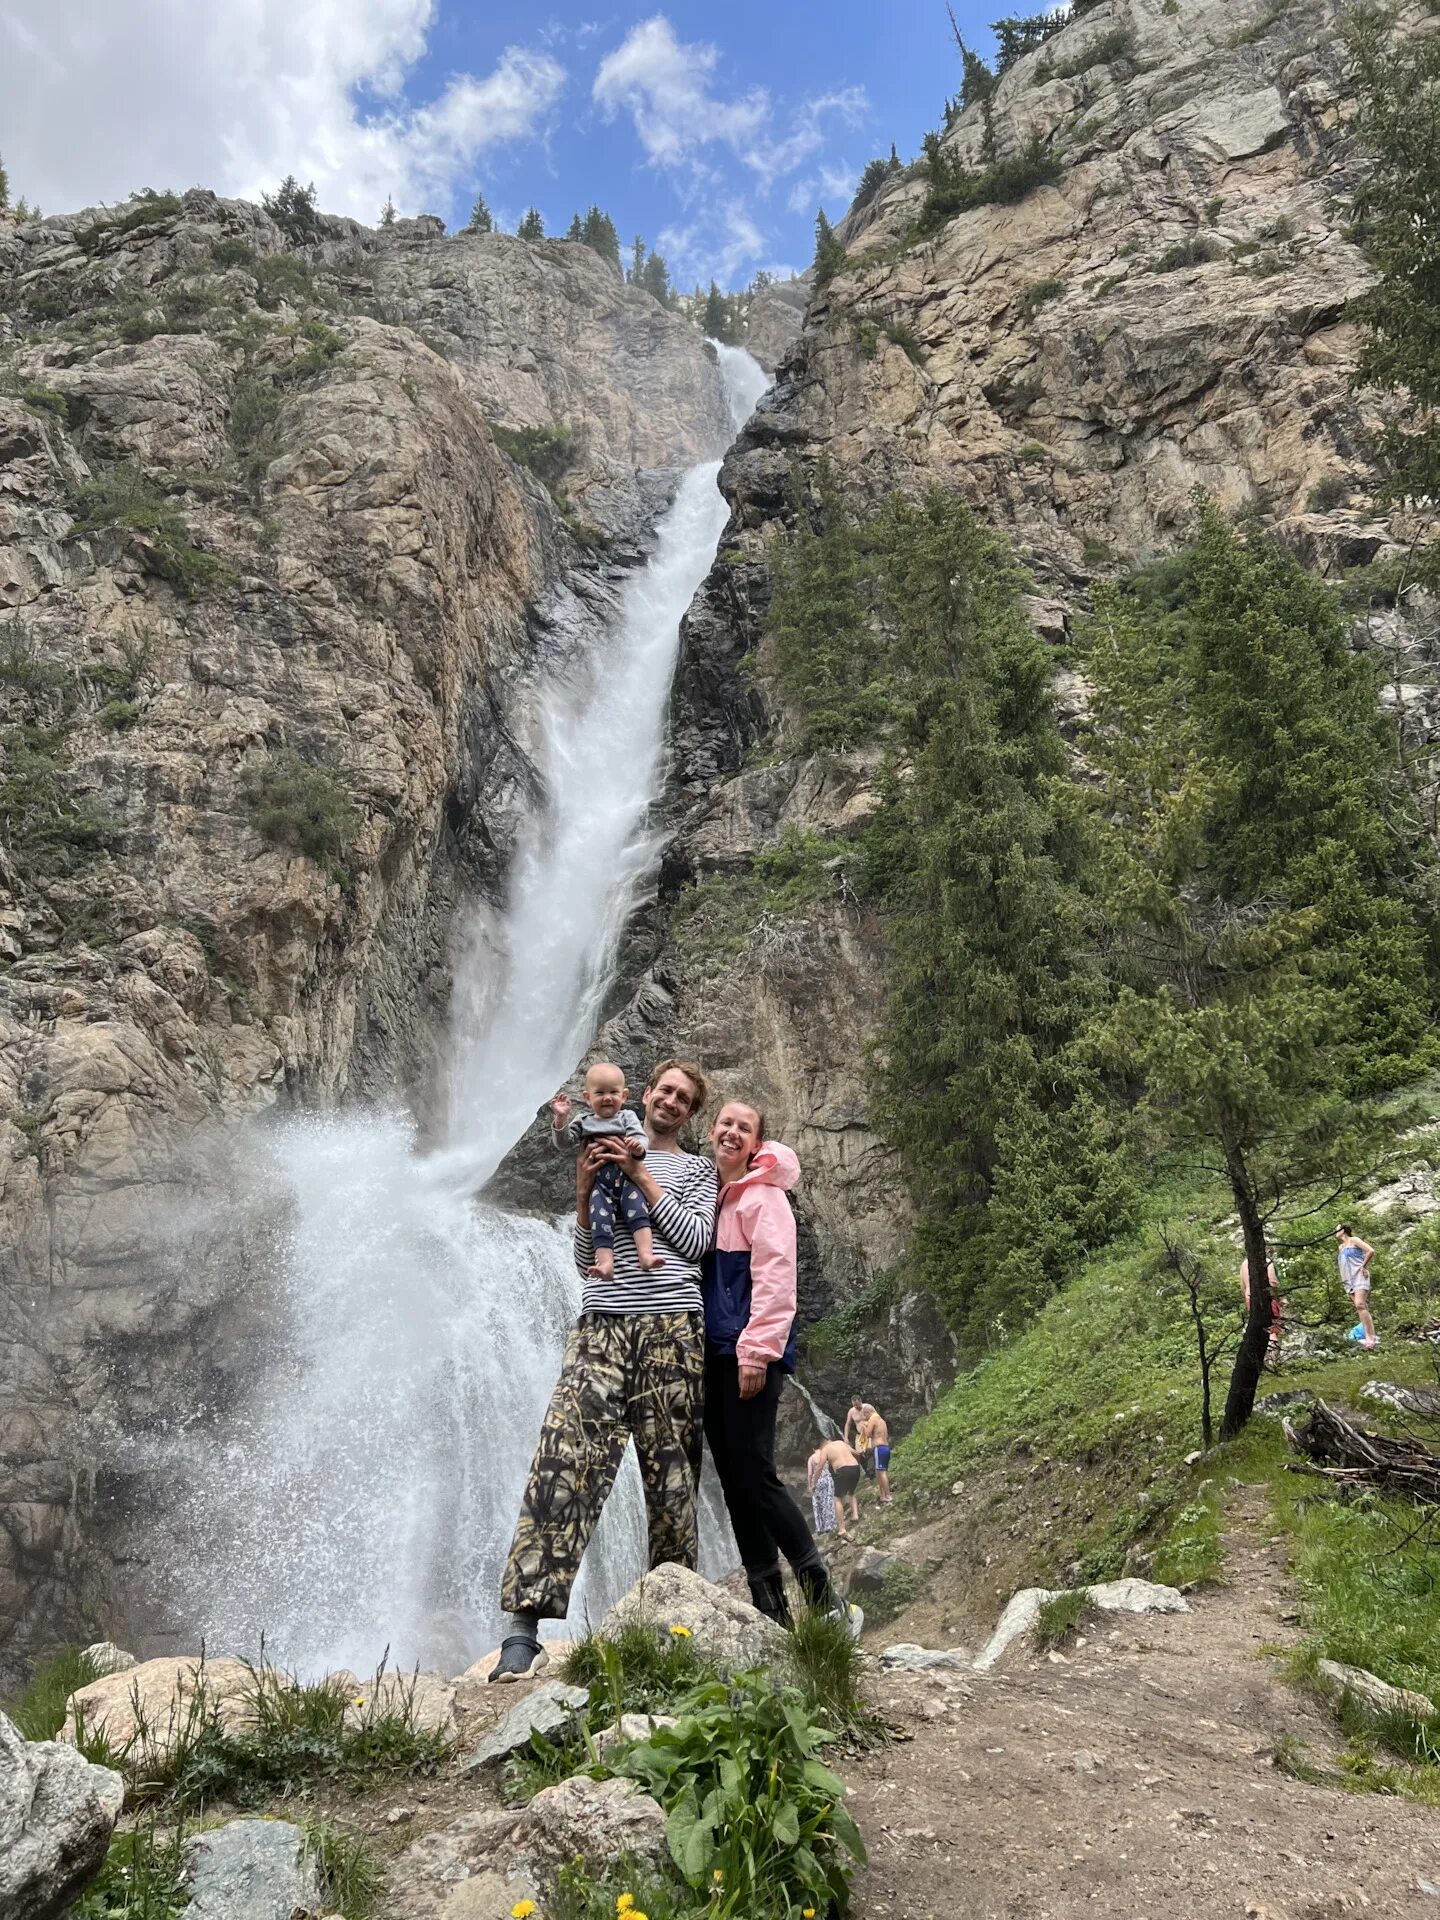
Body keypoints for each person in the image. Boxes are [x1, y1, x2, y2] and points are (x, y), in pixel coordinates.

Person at [491, 1059, 717, 1682]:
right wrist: (584, 1190)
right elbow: (585, 1254)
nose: (671, 1101)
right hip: (602, 1323)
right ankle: (522, 1629)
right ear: (644, 1096)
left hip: (673, 1325)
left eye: (684, 1097)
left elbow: (696, 1243)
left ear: (690, 1113)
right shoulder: (590, 1147)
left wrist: (639, 1174)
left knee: (672, 1477)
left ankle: (675, 1624)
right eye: (664, 1090)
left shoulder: (698, 1171)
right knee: (561, 1455)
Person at [701, 1100, 862, 1634]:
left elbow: (775, 1276)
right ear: (711, 1130)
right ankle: (771, 1607)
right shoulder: (717, 1197)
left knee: (757, 1476)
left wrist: (757, 1351)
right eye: (726, 1123)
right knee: (734, 1480)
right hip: (718, 1355)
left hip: (748, 1355)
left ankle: (824, 1599)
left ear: (755, 1145)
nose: (732, 1132)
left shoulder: (764, 1197)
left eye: (744, 1128)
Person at [550, 1062, 663, 1277]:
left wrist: (637, 1148)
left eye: (613, 1092)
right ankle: (606, 1264)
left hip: (627, 1179)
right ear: (586, 1097)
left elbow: (640, 1138)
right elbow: (564, 1143)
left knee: (639, 1211)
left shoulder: (627, 1117)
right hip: (599, 1185)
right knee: (599, 1220)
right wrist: (560, 1119)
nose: (607, 1097)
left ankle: (646, 1254)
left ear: (624, 1095)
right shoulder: (583, 1121)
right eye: (600, 1092)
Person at [809, 1436, 863, 1535]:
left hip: (842, 1470)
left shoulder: (825, 1449)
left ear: (822, 1445)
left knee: (837, 1498)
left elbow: (820, 1467)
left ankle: (842, 1529)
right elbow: (856, 1453)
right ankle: (855, 1515)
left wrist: (814, 1483)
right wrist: (858, 1463)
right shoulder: (841, 1442)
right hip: (855, 1467)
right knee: (851, 1492)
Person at [1336, 1224, 1377, 1348]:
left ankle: (1371, 1336)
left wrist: (1363, 1265)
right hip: (1348, 1279)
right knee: (1359, 1307)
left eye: (1336, 1230)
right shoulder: (1341, 1247)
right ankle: (1367, 1333)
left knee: (1360, 1304)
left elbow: (1370, 1250)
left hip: (1359, 1274)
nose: (1335, 1233)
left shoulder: (1354, 1240)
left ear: (1343, 1230)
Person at [1239, 1254, 1283, 1367]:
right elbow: (1273, 1282)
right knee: (1271, 1331)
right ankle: (1272, 1362)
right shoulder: (1267, 1261)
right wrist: (1278, 1297)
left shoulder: (1244, 1263)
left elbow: (1242, 1286)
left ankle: (1258, 1362)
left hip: (1250, 1298)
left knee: (1258, 1330)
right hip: (1267, 1299)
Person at [858, 1404, 892, 1507]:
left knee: (881, 1472)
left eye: (865, 1415)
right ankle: (882, 1495)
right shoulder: (882, 1421)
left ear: (868, 1412)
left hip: (879, 1448)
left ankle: (888, 1496)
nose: (865, 1418)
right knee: (878, 1472)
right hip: (885, 1448)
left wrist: (864, 1427)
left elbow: (868, 1434)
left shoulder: (873, 1419)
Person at [808, 1453, 837, 1538]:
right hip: (827, 1478)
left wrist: (810, 1485)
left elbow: (810, 1473)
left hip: (816, 1481)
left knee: (817, 1504)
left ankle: (820, 1528)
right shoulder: (825, 1454)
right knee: (828, 1501)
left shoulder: (811, 1458)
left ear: (813, 1448)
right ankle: (830, 1525)